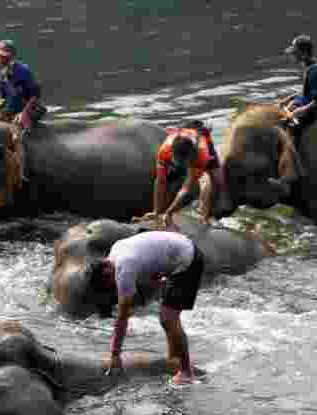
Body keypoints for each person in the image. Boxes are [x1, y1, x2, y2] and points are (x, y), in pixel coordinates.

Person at [87, 230, 204, 385]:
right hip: (180, 249)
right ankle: (175, 361)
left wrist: (115, 354)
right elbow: (146, 255)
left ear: (107, 271)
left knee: (168, 318)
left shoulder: (123, 267)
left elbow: (123, 316)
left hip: (188, 260)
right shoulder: (115, 251)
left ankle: (186, 373)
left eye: (109, 285)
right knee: (166, 316)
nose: (113, 286)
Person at [271, 35, 317, 194]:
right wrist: (289, 99)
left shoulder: (316, 71)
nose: (292, 55)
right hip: (308, 101)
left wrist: (299, 111)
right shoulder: (308, 66)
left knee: (290, 128)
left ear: (303, 53)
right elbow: (306, 91)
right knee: (280, 117)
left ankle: (290, 175)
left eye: (294, 52)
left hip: (315, 107)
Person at [141, 120, 225, 226]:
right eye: (176, 161)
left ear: (191, 157)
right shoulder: (164, 150)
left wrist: (169, 213)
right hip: (184, 130)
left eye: (183, 162)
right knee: (167, 176)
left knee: (216, 179)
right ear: (171, 152)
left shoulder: (201, 155)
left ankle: (207, 215)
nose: (179, 164)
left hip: (202, 134)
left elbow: (186, 188)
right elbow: (160, 181)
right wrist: (156, 212)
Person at [0, 39, 44, 130]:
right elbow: (2, 98)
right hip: (13, 110)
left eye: (2, 56)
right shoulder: (3, 74)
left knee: (16, 130)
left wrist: (24, 113)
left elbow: (35, 95)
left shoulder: (23, 70)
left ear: (10, 56)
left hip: (30, 109)